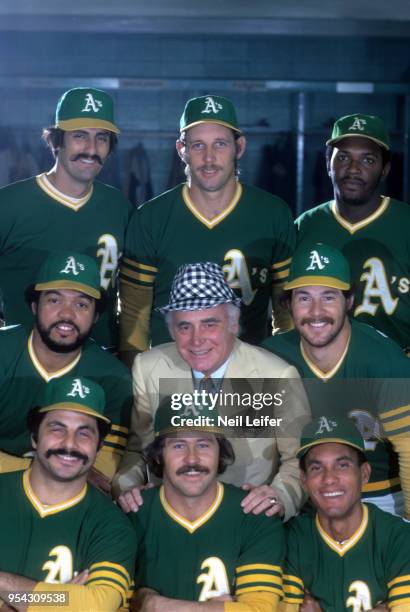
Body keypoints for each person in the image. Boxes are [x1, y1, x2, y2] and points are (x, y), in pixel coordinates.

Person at [114, 262, 310, 521]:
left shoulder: (276, 376)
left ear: (232, 322)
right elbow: (139, 450)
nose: (197, 340)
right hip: (169, 519)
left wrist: (280, 497)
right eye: (185, 327)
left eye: (209, 324)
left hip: (246, 518)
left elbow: (300, 459)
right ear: (172, 329)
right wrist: (128, 489)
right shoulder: (149, 367)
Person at [119, 94, 295, 365]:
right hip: (172, 374)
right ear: (181, 149)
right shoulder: (151, 218)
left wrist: (279, 371)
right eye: (198, 145)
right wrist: (138, 382)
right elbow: (134, 315)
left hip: (247, 375)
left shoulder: (273, 213)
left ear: (239, 147)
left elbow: (287, 313)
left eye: (220, 144)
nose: (209, 158)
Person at [262, 243, 410, 517]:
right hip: (300, 495)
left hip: (379, 496)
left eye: (329, 297)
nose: (316, 311)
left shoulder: (385, 359)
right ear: (288, 303)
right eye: (304, 298)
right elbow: (247, 447)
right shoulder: (269, 356)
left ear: (349, 301)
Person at [0, 87, 132, 350]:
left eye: (102, 138)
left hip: (100, 359)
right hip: (20, 364)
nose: (91, 148)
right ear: (57, 141)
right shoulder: (9, 204)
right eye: (80, 136)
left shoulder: (119, 206)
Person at [129, 396, 285, 611]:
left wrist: (153, 604)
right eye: (178, 445)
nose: (192, 459)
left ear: (220, 452)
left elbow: (260, 609)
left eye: (203, 444)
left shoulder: (255, 514)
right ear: (158, 456)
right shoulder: (131, 515)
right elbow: (107, 603)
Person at [0, 376, 136, 612]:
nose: (70, 444)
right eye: (57, 428)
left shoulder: (112, 526)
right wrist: (59, 599)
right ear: (34, 437)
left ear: (99, 445)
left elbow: (95, 605)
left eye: (84, 433)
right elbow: (76, 605)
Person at [0, 251, 132, 490]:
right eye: (54, 300)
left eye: (81, 304)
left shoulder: (114, 377)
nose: (67, 313)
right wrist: (43, 470)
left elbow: (101, 474)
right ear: (34, 306)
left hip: (67, 494)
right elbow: (82, 472)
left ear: (95, 317)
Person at [295, 114, 410, 352]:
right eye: (344, 158)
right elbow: (284, 308)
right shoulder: (304, 227)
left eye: (367, 160)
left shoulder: (405, 222)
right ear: (328, 164)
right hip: (323, 369)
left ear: (385, 169)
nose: (354, 169)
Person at [280, 416, 410, 611]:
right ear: (304, 480)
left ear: (364, 474)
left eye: (342, 465)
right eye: (316, 468)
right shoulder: (291, 538)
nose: (329, 478)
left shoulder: (399, 538)